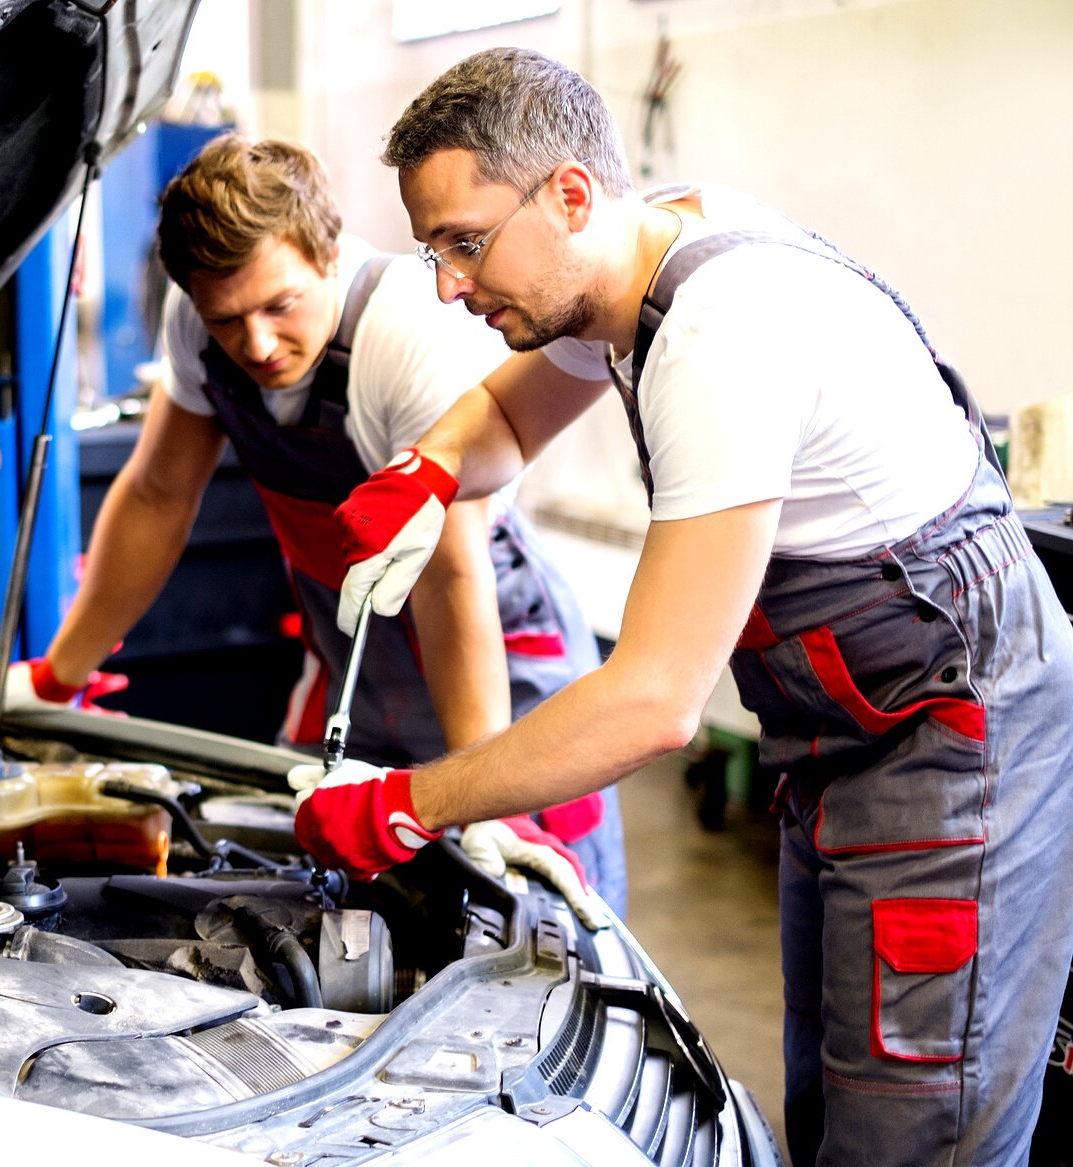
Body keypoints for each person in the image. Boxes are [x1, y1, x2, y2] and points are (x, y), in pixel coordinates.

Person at [293, 46, 1073, 1167]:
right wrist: (424, 468)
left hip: (952, 747)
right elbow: (509, 425)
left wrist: (410, 804)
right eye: (430, 249)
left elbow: (652, 704)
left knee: (916, 1133)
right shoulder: (633, 249)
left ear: (568, 192)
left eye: (464, 243)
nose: (449, 284)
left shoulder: (717, 334)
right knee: (839, 1107)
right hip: (846, 742)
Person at [0, 132, 625, 917]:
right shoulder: (200, 320)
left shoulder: (406, 340)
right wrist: (59, 676)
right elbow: (159, 494)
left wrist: (485, 789)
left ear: (329, 254)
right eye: (229, 318)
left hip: (495, 654)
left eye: (281, 305)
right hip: (350, 651)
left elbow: (449, 575)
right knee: (299, 883)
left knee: (536, 915)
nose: (257, 344)